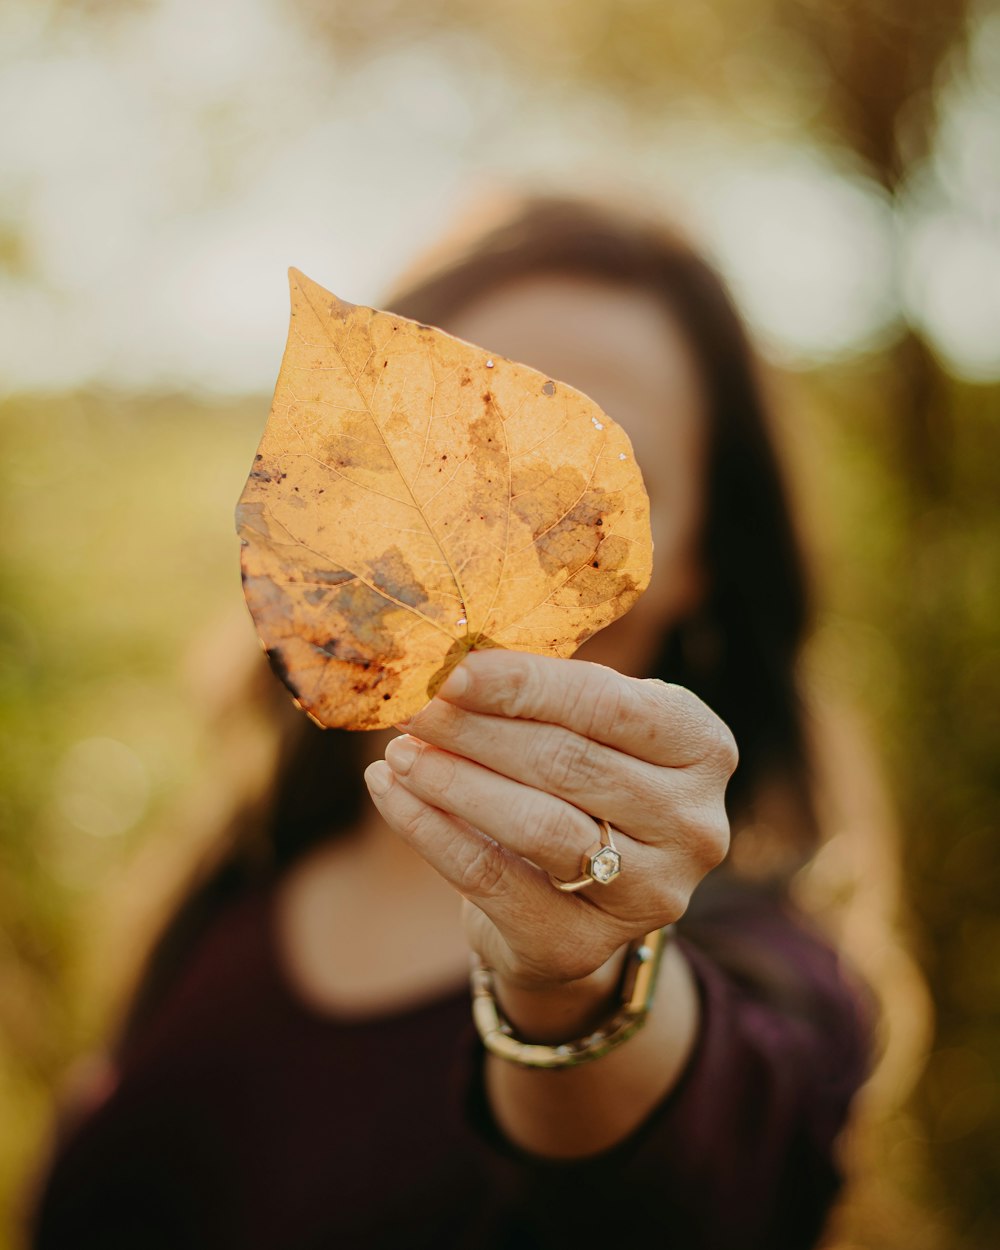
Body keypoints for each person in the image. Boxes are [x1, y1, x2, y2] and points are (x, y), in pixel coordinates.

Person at [26, 193, 881, 1249]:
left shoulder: (765, 976)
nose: (490, 521)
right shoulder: (245, 867)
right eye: (449, 438)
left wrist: (575, 987)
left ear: (701, 561)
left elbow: (685, 1181)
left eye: (587, 466)